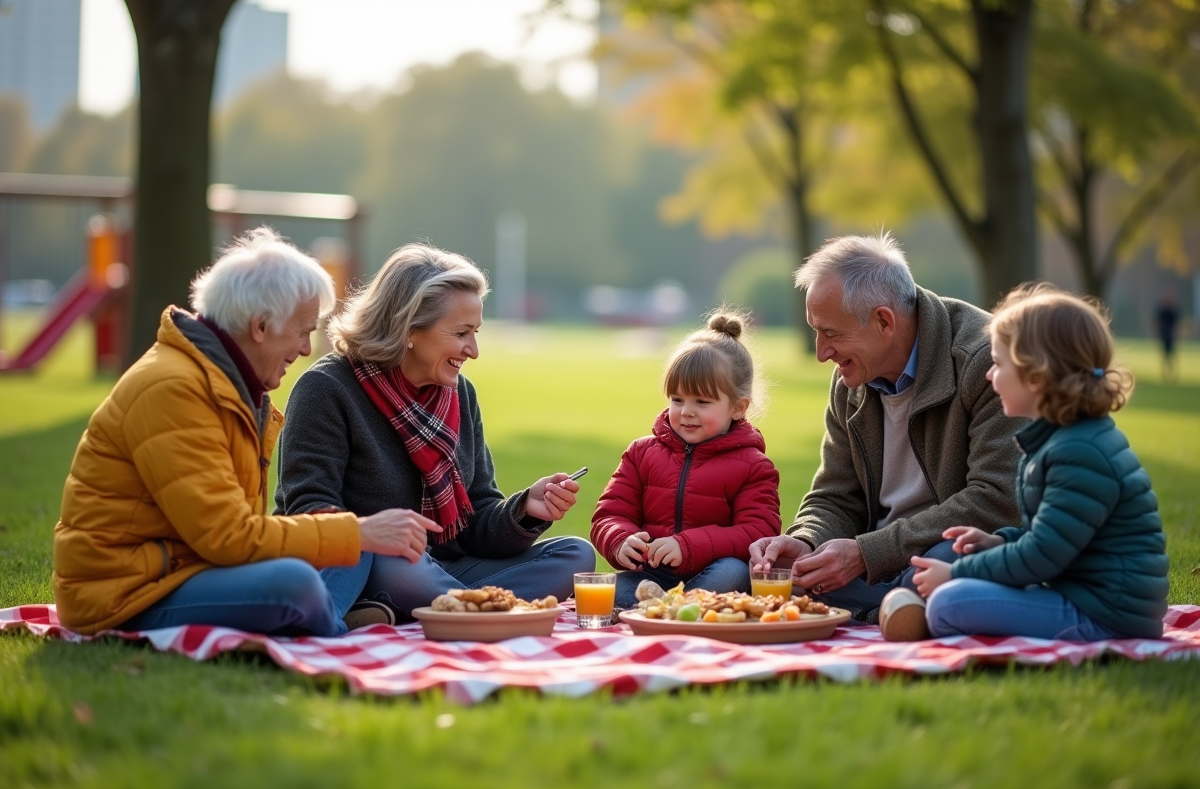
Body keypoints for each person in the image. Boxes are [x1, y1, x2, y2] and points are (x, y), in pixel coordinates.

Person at [52, 227, 424, 637]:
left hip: (190, 569)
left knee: (350, 546)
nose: (305, 349)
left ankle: (324, 615)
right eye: (303, 331)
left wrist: (355, 533)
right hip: (125, 594)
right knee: (301, 581)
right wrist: (357, 532)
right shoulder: (173, 389)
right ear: (260, 326)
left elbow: (231, 532)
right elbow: (227, 536)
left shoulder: (227, 383)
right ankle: (329, 621)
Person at [275, 243, 596, 625]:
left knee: (575, 554)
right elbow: (306, 508)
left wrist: (525, 509)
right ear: (409, 328)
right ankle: (474, 609)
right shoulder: (327, 387)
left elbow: (477, 519)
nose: (473, 350)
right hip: (369, 562)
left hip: (442, 568)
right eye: (461, 333)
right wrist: (376, 532)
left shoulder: (460, 394)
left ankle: (441, 608)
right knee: (401, 563)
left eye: (475, 332)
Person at [749, 233, 1026, 621]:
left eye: (831, 333)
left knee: (948, 561)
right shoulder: (851, 378)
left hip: (945, 553)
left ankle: (890, 607)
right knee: (780, 576)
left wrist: (867, 554)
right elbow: (835, 494)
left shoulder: (986, 362)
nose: (821, 353)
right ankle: (891, 610)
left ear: (884, 321)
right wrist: (806, 541)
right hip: (879, 559)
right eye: (816, 331)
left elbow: (997, 500)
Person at [879, 284, 1169, 641]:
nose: (989, 375)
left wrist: (956, 574)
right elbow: (1050, 537)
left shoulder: (1080, 453)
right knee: (954, 581)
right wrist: (996, 542)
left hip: (1105, 615)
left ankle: (920, 619)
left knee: (947, 603)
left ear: (1036, 377)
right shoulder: (1060, 441)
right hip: (1083, 597)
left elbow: (1042, 555)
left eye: (998, 364)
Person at [590, 311, 781, 608]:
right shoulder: (641, 453)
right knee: (601, 588)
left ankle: (674, 607)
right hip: (651, 575)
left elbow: (758, 532)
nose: (686, 411)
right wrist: (620, 540)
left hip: (711, 575)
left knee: (733, 572)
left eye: (702, 402)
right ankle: (672, 607)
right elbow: (609, 514)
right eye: (677, 399)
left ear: (738, 407)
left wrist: (688, 546)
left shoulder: (753, 466)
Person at [1156, 289, 1179, 383]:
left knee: (1171, 356)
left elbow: (1176, 325)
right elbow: (1158, 323)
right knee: (1165, 356)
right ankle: (1165, 374)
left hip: (1171, 337)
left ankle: (1172, 374)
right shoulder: (1162, 311)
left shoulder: (1173, 311)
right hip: (1164, 336)